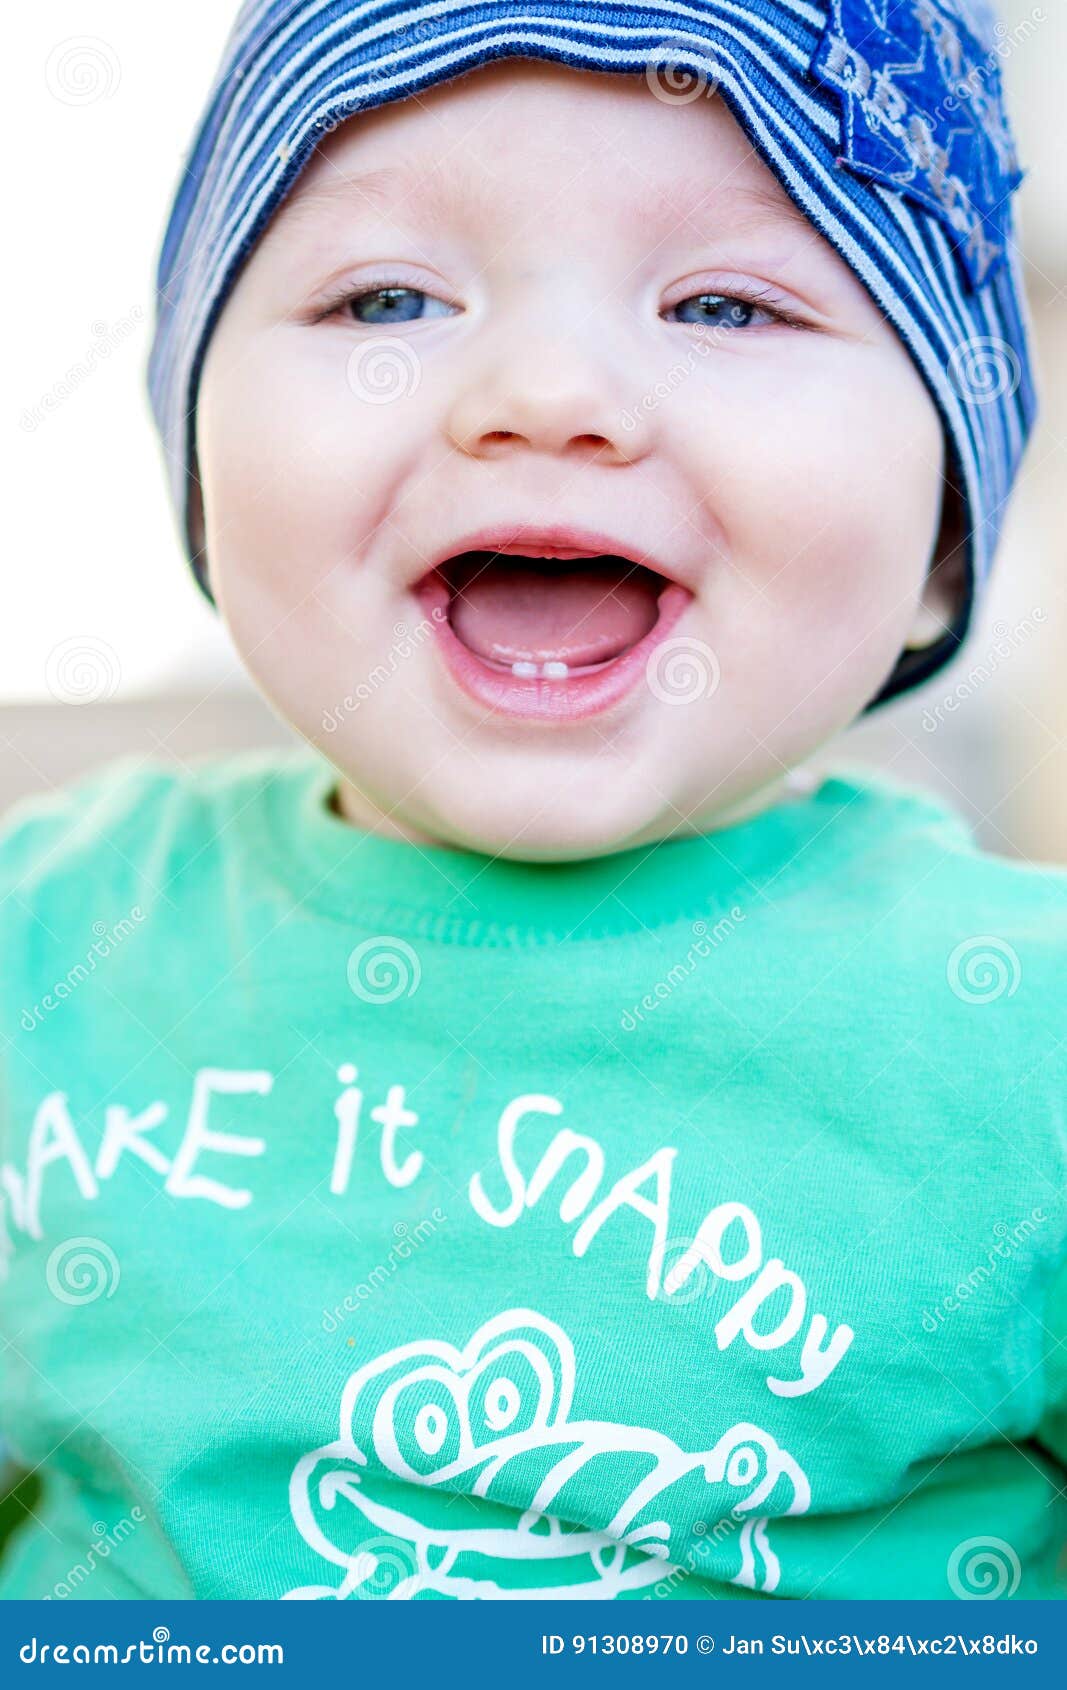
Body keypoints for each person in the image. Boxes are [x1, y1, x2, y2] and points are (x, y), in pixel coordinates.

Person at [1, 0, 1063, 1601]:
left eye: (725, 303)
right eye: (387, 294)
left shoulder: (1022, 1039)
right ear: (204, 473)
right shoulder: (49, 944)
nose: (546, 391)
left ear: (940, 547)